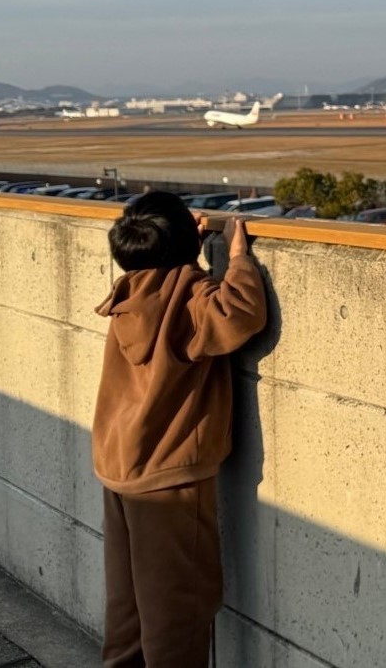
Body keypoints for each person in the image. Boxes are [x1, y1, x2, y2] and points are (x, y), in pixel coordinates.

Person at [93, 192, 268, 668]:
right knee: (177, 614)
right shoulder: (189, 297)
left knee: (127, 611)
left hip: (119, 467)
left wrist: (176, 240)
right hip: (168, 478)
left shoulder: (130, 294)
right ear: (184, 243)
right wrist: (235, 256)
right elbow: (241, 313)